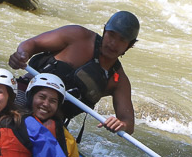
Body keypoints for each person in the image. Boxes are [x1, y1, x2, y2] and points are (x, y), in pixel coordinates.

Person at [8, 10, 140, 133]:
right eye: (111, 35)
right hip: (23, 96)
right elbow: (33, 44)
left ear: (130, 45)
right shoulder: (78, 36)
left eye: (121, 40)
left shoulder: (119, 81)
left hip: (52, 120)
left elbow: (128, 123)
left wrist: (121, 125)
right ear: (105, 31)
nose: (113, 43)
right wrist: (22, 54)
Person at [26, 73, 99, 157]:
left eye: (53, 101)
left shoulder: (62, 134)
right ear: (31, 97)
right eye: (42, 97)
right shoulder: (14, 121)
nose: (46, 104)